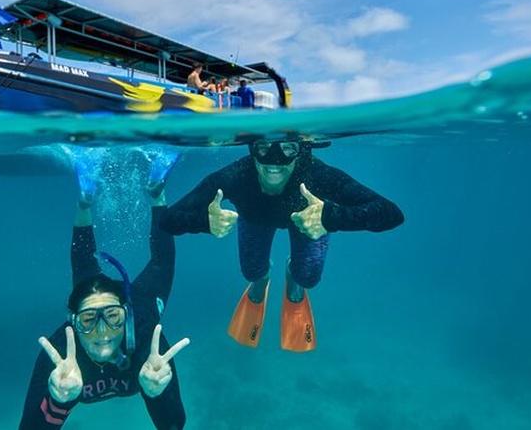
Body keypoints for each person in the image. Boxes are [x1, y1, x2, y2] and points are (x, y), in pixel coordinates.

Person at [161, 139, 404, 352]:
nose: (274, 160)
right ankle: (262, 278)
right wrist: (203, 221)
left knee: (307, 277)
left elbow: (391, 213)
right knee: (252, 272)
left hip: (309, 219)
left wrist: (330, 217)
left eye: (288, 148)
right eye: (264, 148)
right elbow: (168, 221)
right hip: (255, 218)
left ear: (301, 150)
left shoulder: (317, 175)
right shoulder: (234, 176)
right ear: (252, 148)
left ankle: (293, 276)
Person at [19, 146, 190, 430]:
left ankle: (155, 191)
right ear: (72, 322)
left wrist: (156, 392)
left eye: (112, 317)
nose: (101, 332)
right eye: (87, 320)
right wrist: (58, 400)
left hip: (141, 301)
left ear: (126, 314)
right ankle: (85, 200)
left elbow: (173, 426)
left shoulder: (150, 344)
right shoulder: (60, 355)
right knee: (85, 273)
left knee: (161, 263)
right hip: (98, 300)